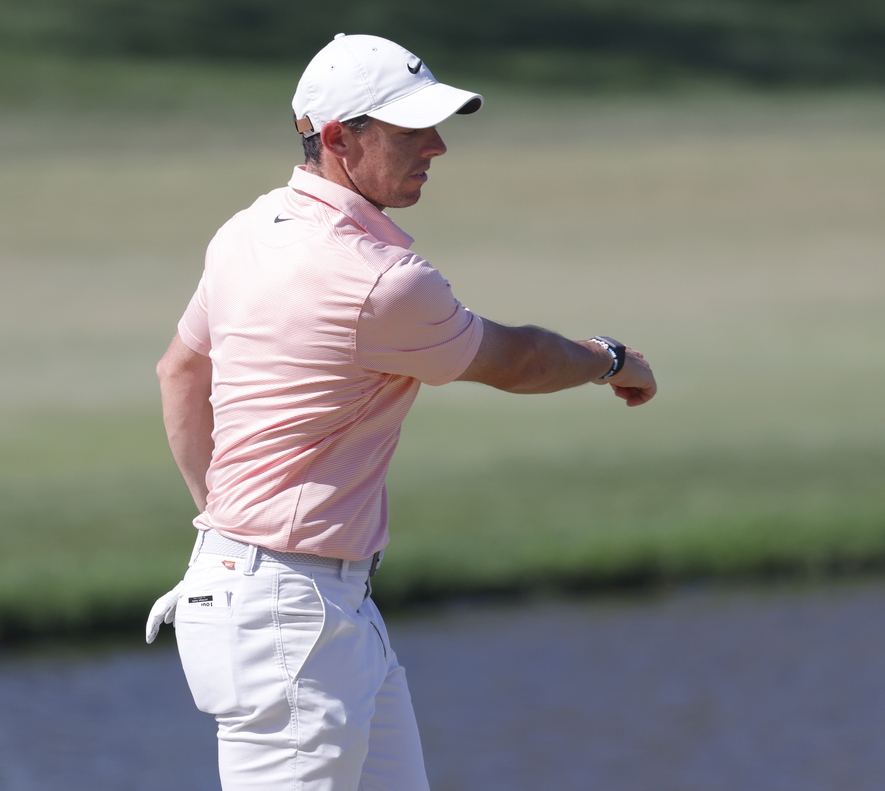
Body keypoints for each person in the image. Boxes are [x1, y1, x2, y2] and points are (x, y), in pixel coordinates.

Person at [146, 33, 657, 790]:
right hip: (291, 618)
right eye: (410, 130)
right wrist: (608, 357)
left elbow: (180, 372)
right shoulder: (380, 280)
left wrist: (229, 532)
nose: (438, 146)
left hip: (308, 602)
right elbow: (515, 360)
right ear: (336, 138)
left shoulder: (247, 231)